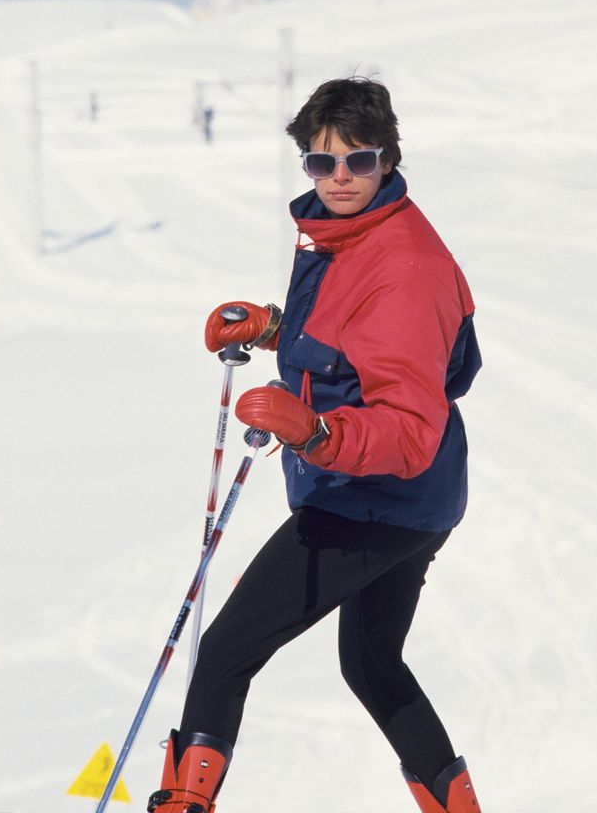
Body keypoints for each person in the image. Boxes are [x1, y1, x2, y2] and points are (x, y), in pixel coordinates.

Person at [147, 77, 483, 813]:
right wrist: (271, 328)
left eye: (358, 162)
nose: (338, 178)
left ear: (388, 160)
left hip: (376, 498)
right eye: (320, 162)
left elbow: (410, 428)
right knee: (370, 663)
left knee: (227, 651)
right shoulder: (346, 234)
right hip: (408, 499)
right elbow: (359, 352)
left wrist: (318, 432)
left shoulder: (402, 267)